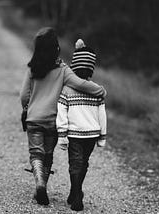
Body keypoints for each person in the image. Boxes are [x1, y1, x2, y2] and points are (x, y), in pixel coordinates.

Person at [20, 28, 106, 206]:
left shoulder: (32, 69)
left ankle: (40, 184)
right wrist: (100, 91)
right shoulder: (63, 70)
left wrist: (27, 108)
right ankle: (43, 183)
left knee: (36, 153)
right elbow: (80, 83)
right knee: (48, 155)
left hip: (34, 119)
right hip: (52, 120)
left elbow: (23, 95)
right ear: (56, 49)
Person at [56, 39, 107, 211]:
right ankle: (75, 192)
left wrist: (62, 136)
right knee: (83, 163)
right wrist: (102, 136)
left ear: (73, 66)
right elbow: (102, 115)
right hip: (91, 134)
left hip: (74, 134)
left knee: (75, 164)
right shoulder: (96, 90)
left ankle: (76, 194)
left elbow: (61, 113)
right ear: (91, 69)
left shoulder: (67, 89)